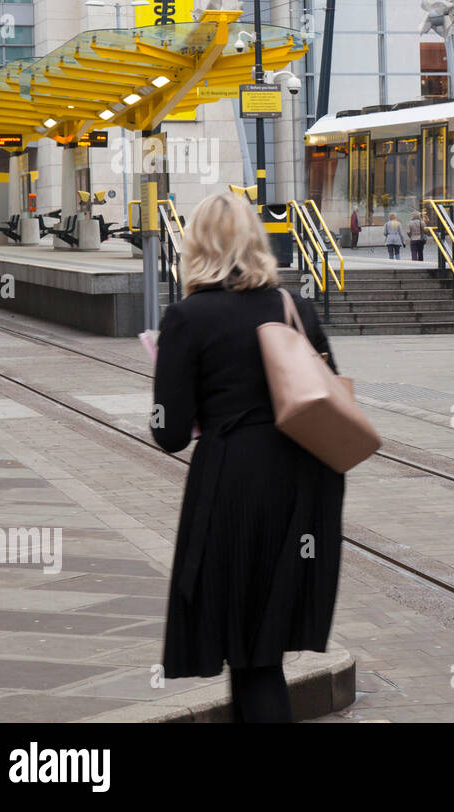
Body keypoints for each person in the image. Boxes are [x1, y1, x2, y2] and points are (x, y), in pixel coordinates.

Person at [152, 193, 344, 723]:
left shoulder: (187, 318)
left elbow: (168, 432)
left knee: (250, 653)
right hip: (302, 486)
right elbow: (328, 392)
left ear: (197, 247)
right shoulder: (293, 307)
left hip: (232, 488)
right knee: (262, 652)